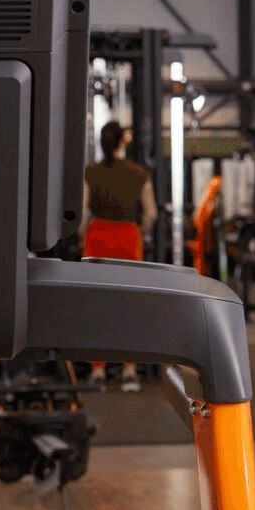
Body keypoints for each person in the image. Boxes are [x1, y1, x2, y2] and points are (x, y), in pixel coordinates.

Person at [82, 121, 155, 390]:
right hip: (127, 238)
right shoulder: (139, 173)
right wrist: (139, 230)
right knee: (129, 305)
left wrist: (81, 236)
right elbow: (150, 213)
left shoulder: (90, 172)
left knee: (95, 305)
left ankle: (98, 372)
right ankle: (129, 371)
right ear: (123, 141)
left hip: (97, 236)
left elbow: (81, 211)